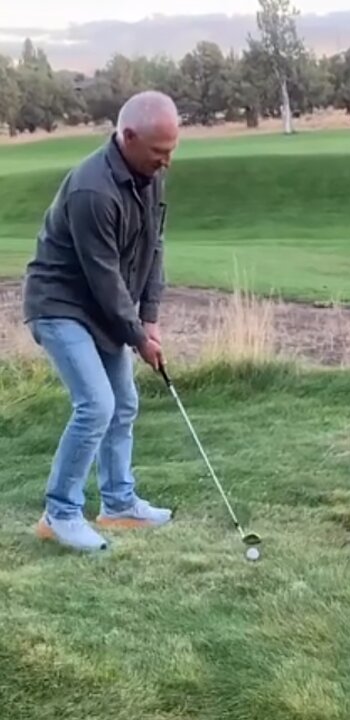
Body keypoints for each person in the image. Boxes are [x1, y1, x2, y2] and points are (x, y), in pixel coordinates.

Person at [21, 90, 180, 552]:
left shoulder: (150, 176)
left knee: (123, 403)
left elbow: (154, 249)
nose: (167, 162)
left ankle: (118, 504)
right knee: (96, 404)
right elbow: (104, 278)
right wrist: (136, 336)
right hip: (61, 304)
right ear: (127, 137)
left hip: (103, 306)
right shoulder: (93, 189)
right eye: (159, 152)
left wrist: (149, 319)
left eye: (172, 150)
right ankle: (60, 513)